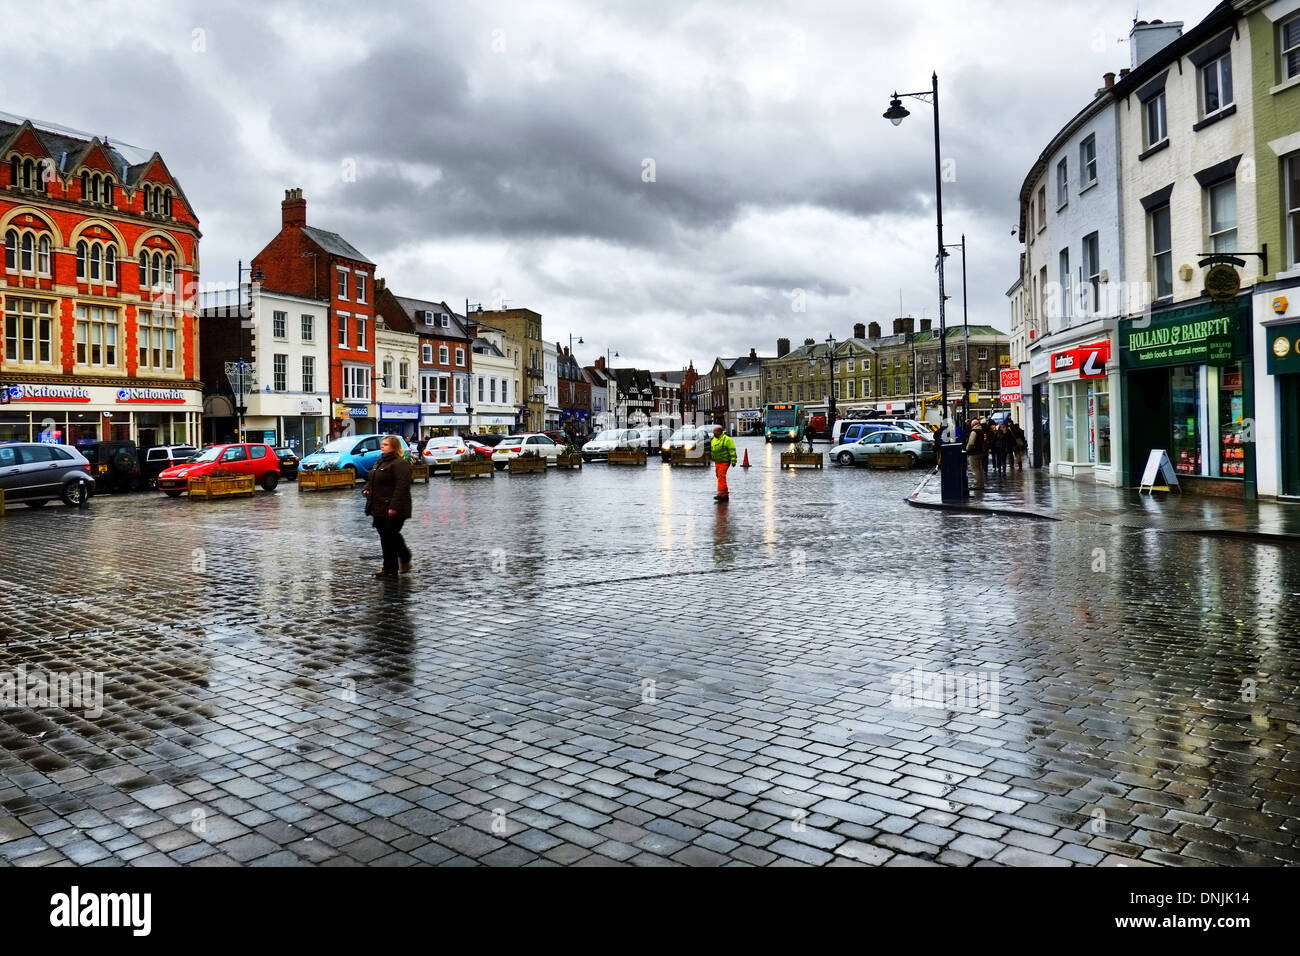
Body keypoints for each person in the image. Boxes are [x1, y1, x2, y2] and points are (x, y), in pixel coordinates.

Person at [362, 435, 413, 578]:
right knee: (386, 537)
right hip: (378, 507)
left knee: (390, 534)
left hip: (394, 507)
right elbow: (372, 478)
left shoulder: (399, 464)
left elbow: (402, 487)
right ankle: (390, 567)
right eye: (382, 444)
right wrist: (366, 489)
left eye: (385, 444)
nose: (382, 446)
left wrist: (394, 506)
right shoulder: (380, 461)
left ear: (394, 447)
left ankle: (404, 557)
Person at [710, 424, 737, 501]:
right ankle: (724, 493)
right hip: (717, 462)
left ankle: (721, 494)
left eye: (715, 431)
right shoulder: (713, 440)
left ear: (720, 432)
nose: (713, 433)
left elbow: (732, 450)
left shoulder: (727, 440)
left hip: (725, 461)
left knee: (721, 476)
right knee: (719, 477)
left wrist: (733, 461)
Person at [965, 418, 987, 490]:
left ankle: (977, 484)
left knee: (975, 470)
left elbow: (971, 443)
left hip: (974, 453)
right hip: (980, 452)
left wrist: (967, 449)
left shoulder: (974, 432)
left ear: (973, 425)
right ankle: (981, 484)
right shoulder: (981, 431)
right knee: (980, 469)